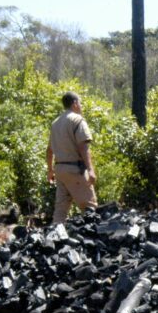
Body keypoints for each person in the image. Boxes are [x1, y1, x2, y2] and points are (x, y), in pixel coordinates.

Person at [47, 91, 98, 223]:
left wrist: (50, 171)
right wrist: (90, 170)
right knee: (89, 207)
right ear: (75, 103)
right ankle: (91, 240)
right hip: (75, 169)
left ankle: (53, 238)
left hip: (60, 170)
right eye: (80, 103)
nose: (81, 106)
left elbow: (49, 150)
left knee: (61, 209)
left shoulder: (55, 123)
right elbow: (83, 147)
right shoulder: (77, 120)